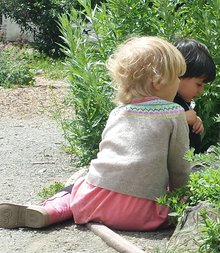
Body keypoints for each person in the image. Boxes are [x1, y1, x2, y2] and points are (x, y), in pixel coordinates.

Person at [0, 36, 191, 231]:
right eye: (177, 76)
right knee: (172, 200)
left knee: (77, 187)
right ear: (157, 81)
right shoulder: (174, 112)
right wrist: (181, 196)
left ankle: (51, 210)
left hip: (94, 201)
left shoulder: (118, 113)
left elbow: (109, 151)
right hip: (142, 214)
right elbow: (180, 167)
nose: (178, 82)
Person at [173, 39, 216, 154]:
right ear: (180, 73)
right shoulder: (166, 100)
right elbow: (156, 123)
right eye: (198, 84)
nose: (201, 91)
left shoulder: (182, 100)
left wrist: (196, 120)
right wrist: (182, 118)